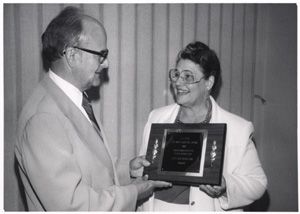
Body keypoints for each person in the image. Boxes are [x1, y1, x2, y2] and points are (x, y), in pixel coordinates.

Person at [14, 6, 171, 211]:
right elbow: (73, 206)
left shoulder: (71, 99)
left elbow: (87, 169)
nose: (106, 64)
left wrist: (128, 170)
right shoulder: (43, 118)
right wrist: (135, 191)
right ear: (72, 55)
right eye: (101, 54)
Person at [137, 41, 267, 211]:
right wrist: (137, 170)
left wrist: (226, 185)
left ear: (208, 83)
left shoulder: (238, 128)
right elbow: (146, 172)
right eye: (176, 74)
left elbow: (258, 183)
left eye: (188, 76)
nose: (178, 82)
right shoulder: (157, 117)